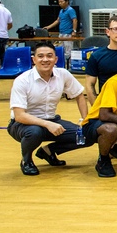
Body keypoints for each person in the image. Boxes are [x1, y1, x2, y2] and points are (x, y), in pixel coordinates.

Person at [8, 42, 89, 175]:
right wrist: (47, 124)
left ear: (56, 59)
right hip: (22, 125)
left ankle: (48, 151)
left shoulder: (63, 74)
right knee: (35, 132)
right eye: (40, 56)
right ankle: (26, 160)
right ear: (34, 60)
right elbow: (19, 115)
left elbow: (79, 95)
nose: (45, 60)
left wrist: (85, 120)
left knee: (86, 135)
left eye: (49, 56)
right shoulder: (22, 80)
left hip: (51, 120)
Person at [43, 0, 78, 64]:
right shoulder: (61, 11)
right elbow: (57, 21)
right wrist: (48, 27)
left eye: (62, 1)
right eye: (59, 2)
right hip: (61, 34)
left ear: (67, 2)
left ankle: (69, 65)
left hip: (68, 34)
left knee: (68, 51)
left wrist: (74, 31)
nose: (60, 3)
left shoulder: (70, 10)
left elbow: (75, 20)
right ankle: (61, 64)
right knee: (59, 50)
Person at [0, 0, 11, 67]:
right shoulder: (7, 11)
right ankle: (3, 69)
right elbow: (10, 25)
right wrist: (3, 29)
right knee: (2, 54)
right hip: (4, 36)